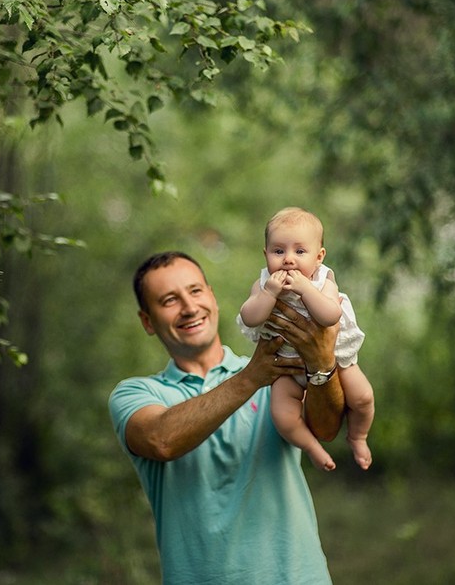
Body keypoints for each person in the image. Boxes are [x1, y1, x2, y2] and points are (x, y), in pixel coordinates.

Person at [109, 251, 345, 585]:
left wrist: (323, 366)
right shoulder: (135, 394)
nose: (189, 307)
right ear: (148, 321)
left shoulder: (274, 370)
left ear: (212, 297)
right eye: (169, 300)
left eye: (195, 291)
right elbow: (160, 440)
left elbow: (326, 428)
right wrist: (251, 377)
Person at [238, 207, 375, 471]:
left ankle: (358, 437)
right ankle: (312, 447)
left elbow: (330, 315)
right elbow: (249, 317)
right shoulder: (264, 284)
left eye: (300, 252)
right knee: (282, 415)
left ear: (319, 257)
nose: (288, 259)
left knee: (364, 397)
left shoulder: (324, 281)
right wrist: (269, 294)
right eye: (278, 251)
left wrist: (304, 289)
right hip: (285, 367)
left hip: (334, 359)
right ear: (265, 254)